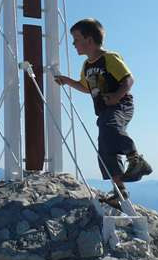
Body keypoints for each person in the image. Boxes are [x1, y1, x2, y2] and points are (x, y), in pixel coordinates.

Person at [54, 18, 152, 208]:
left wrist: (116, 96)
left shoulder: (109, 58)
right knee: (106, 149)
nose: (73, 44)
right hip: (105, 110)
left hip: (121, 105)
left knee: (109, 127)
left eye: (76, 39)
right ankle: (119, 192)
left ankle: (136, 159)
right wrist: (67, 80)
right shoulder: (87, 65)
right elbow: (85, 87)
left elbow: (129, 79)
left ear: (89, 40)